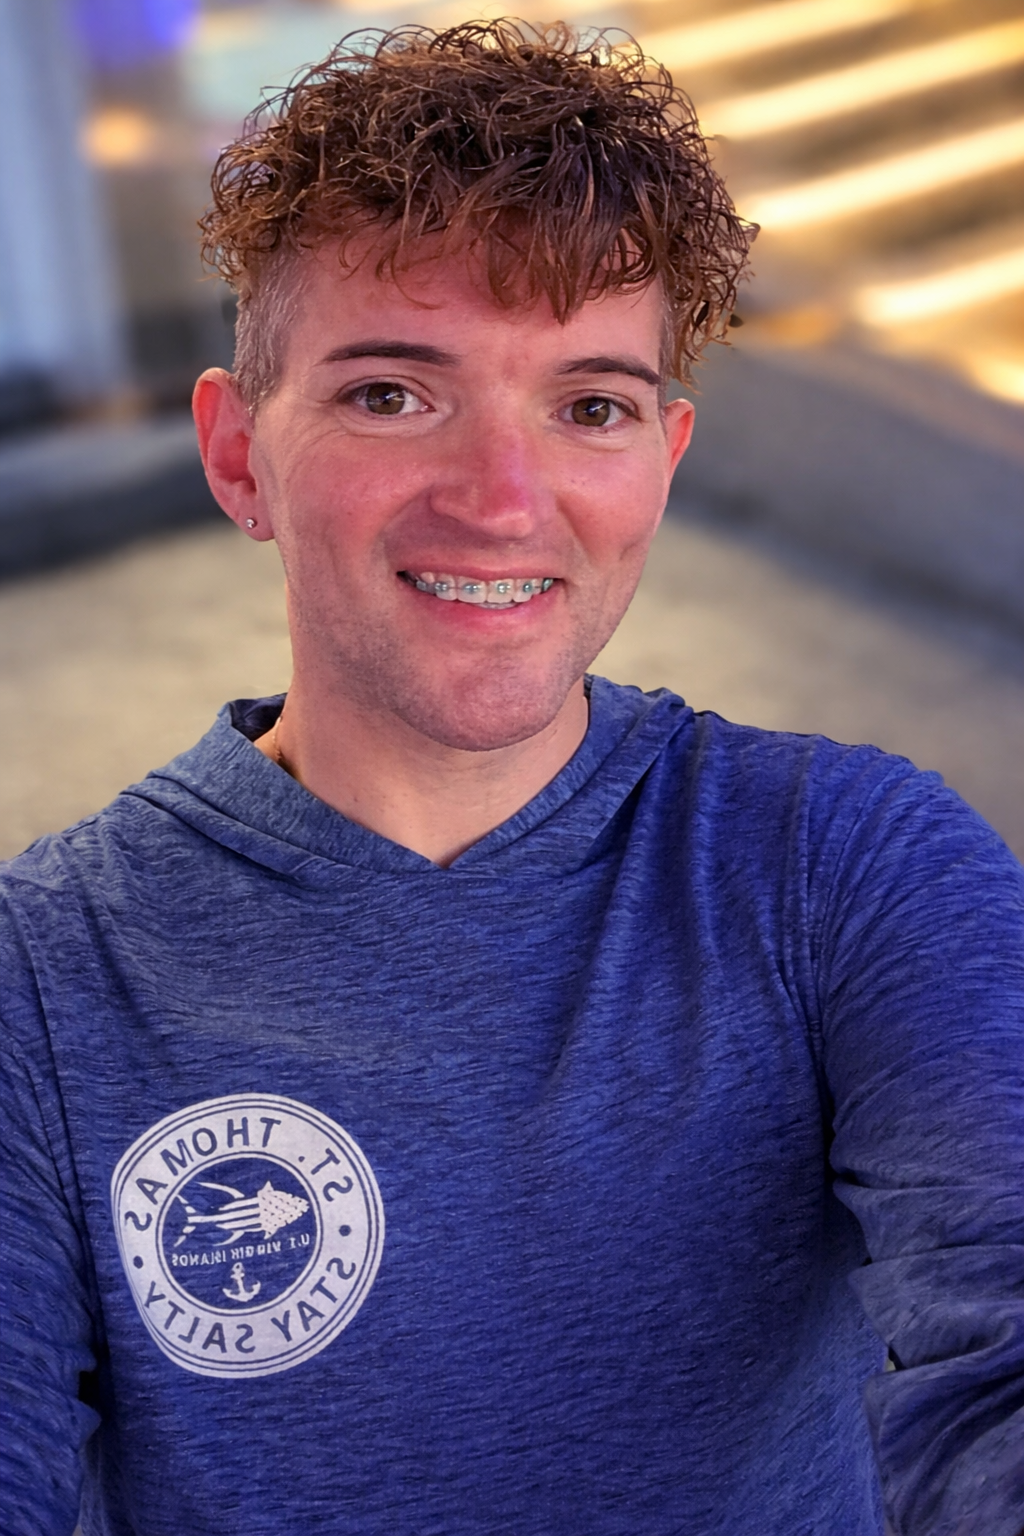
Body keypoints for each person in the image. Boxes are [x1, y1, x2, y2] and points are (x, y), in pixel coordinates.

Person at [1, 21, 1021, 1536]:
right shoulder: (45, 975)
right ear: (239, 457)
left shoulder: (850, 867)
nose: (500, 502)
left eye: (589, 405)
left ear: (662, 460)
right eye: (392, 395)